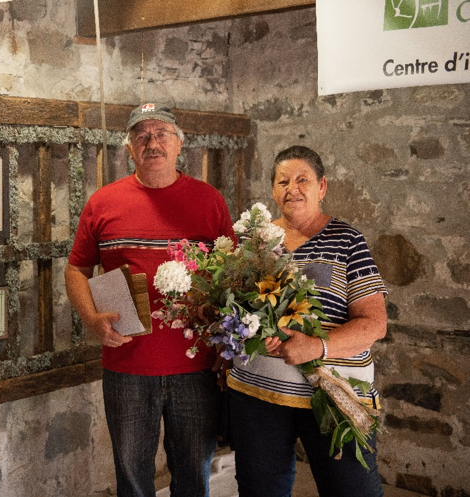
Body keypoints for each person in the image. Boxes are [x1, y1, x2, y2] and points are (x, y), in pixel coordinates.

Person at [65, 103, 236, 497]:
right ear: (129, 148)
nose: (152, 142)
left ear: (179, 144)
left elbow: (232, 276)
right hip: (127, 364)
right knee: (133, 479)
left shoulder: (209, 200)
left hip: (196, 366)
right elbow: (76, 269)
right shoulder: (102, 203)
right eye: (141, 136)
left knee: (193, 477)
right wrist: (91, 318)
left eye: (161, 134)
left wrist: (227, 345)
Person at [225, 145, 387, 497]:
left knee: (351, 490)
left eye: (303, 180)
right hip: (258, 397)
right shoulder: (254, 242)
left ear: (322, 187)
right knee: (259, 490)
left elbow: (374, 324)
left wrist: (316, 346)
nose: (292, 189)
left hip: (333, 394)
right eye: (283, 181)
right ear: (272, 190)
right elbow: (234, 309)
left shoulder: (347, 241)